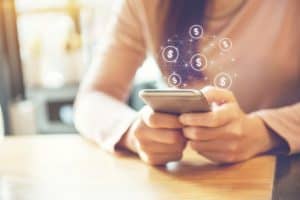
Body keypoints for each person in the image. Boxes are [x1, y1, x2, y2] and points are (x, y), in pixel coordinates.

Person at [74, 0, 300, 165]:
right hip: (190, 177)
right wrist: (132, 132)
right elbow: (93, 98)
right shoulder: (145, 5)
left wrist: (263, 132)